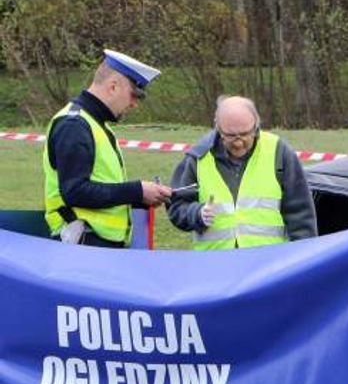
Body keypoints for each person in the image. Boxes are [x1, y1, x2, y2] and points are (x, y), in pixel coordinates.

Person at [43, 49, 172, 248]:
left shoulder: (94, 124)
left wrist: (142, 196)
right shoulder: (74, 125)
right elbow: (75, 192)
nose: (135, 104)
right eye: (134, 95)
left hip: (94, 244)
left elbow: (100, 186)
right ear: (113, 87)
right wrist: (136, 191)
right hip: (83, 245)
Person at [166, 95, 317, 249]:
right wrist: (196, 214)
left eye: (245, 134)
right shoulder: (198, 157)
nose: (238, 143)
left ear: (256, 126)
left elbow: (301, 215)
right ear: (218, 128)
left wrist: (303, 258)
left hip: (268, 263)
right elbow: (176, 206)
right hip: (215, 264)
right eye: (231, 136)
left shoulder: (279, 152)